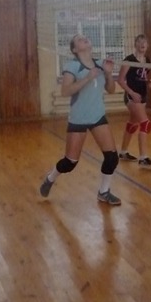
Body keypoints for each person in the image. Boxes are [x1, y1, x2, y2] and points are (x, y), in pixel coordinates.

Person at [40, 34, 122, 206]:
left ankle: (104, 192)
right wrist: (88, 77)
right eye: (79, 39)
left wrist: (108, 74)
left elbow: (111, 90)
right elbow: (65, 91)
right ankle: (50, 177)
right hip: (79, 118)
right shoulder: (72, 66)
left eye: (85, 37)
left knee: (112, 157)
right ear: (75, 49)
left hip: (98, 116)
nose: (84, 38)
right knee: (70, 162)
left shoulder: (100, 64)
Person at [117, 34, 151, 166]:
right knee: (145, 124)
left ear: (147, 45)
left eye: (144, 42)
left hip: (142, 96)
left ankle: (123, 152)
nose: (142, 44)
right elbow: (120, 80)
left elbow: (143, 78)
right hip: (132, 97)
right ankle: (143, 157)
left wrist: (149, 83)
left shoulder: (147, 61)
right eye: (139, 41)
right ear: (135, 44)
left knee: (132, 124)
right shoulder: (129, 60)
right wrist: (132, 93)